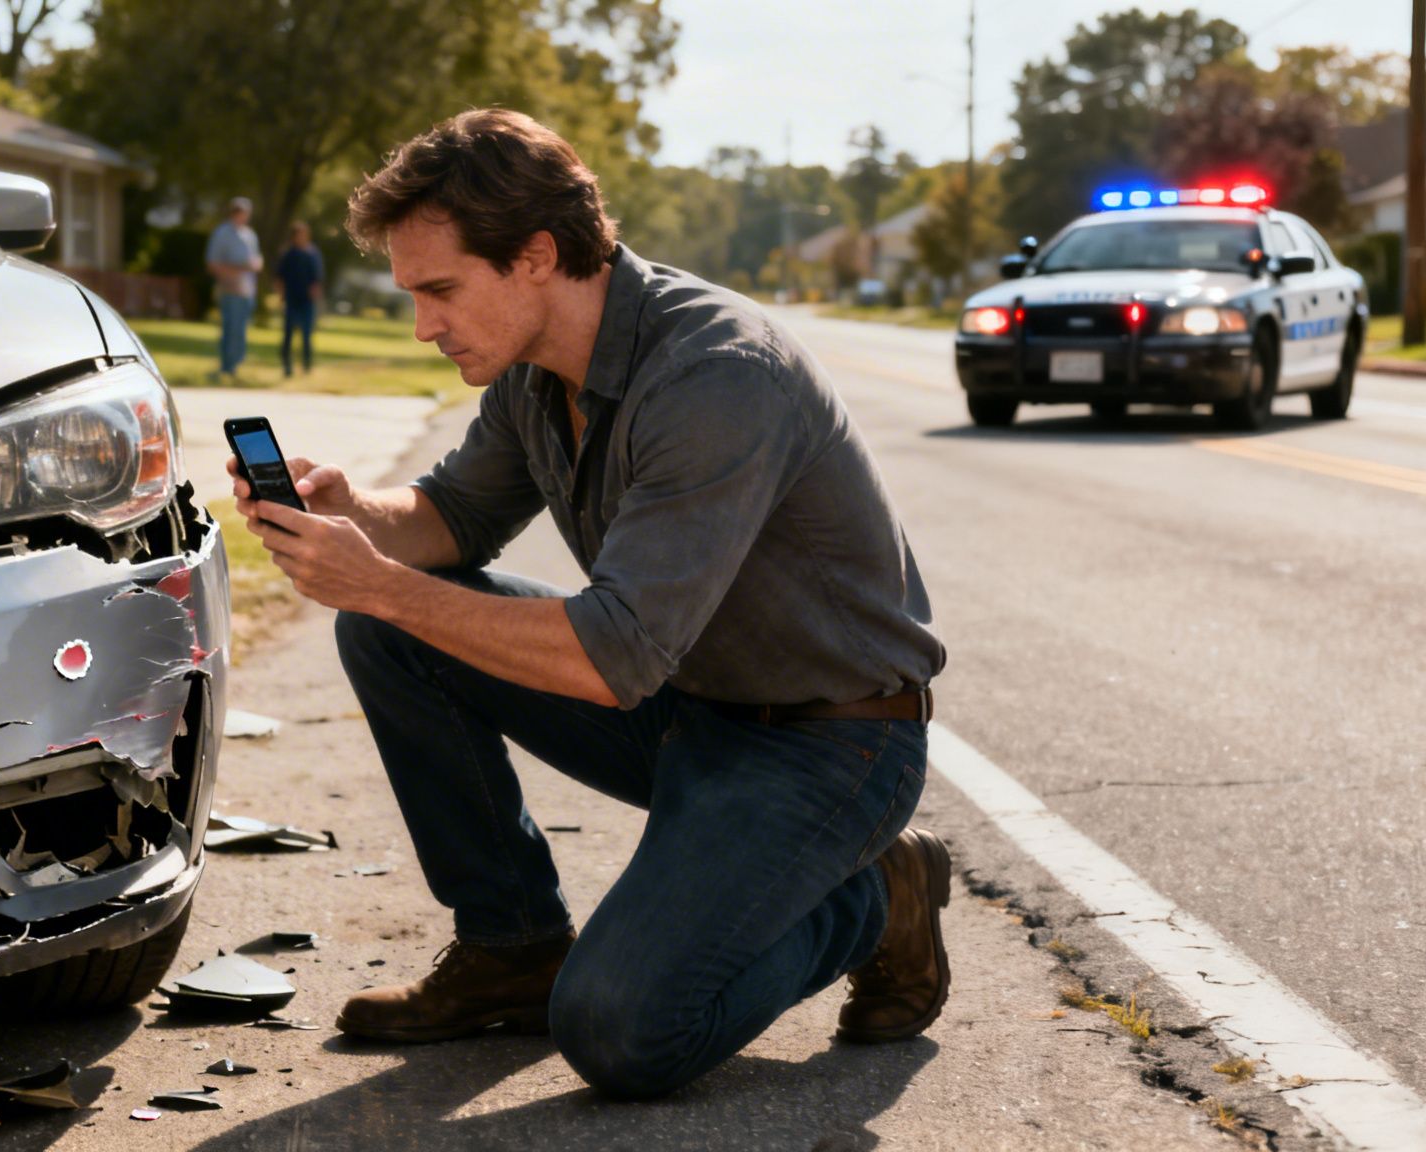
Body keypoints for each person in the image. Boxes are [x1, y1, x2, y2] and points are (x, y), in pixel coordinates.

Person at [227, 109, 948, 1099]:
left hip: (826, 745)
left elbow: (609, 657)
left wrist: (380, 580)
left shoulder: (715, 375)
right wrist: (350, 513)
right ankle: (510, 949)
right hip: (687, 705)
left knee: (622, 1031)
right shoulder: (533, 371)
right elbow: (448, 516)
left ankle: (872, 895)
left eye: (439, 291)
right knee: (389, 631)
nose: (422, 324)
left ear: (534, 255)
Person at [206, 197, 263, 380]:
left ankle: (236, 365)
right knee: (230, 329)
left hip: (247, 289)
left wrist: (255, 265)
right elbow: (213, 263)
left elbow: (255, 260)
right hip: (230, 289)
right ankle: (227, 367)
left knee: (241, 330)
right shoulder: (222, 233)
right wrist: (239, 269)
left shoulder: (249, 235)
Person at [276, 221, 325, 376]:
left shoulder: (312, 254)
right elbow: (279, 276)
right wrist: (281, 294)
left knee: (306, 334)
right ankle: (286, 365)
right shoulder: (288, 254)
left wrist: (316, 294)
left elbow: (318, 278)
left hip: (307, 300)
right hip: (291, 299)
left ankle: (306, 364)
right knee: (288, 333)